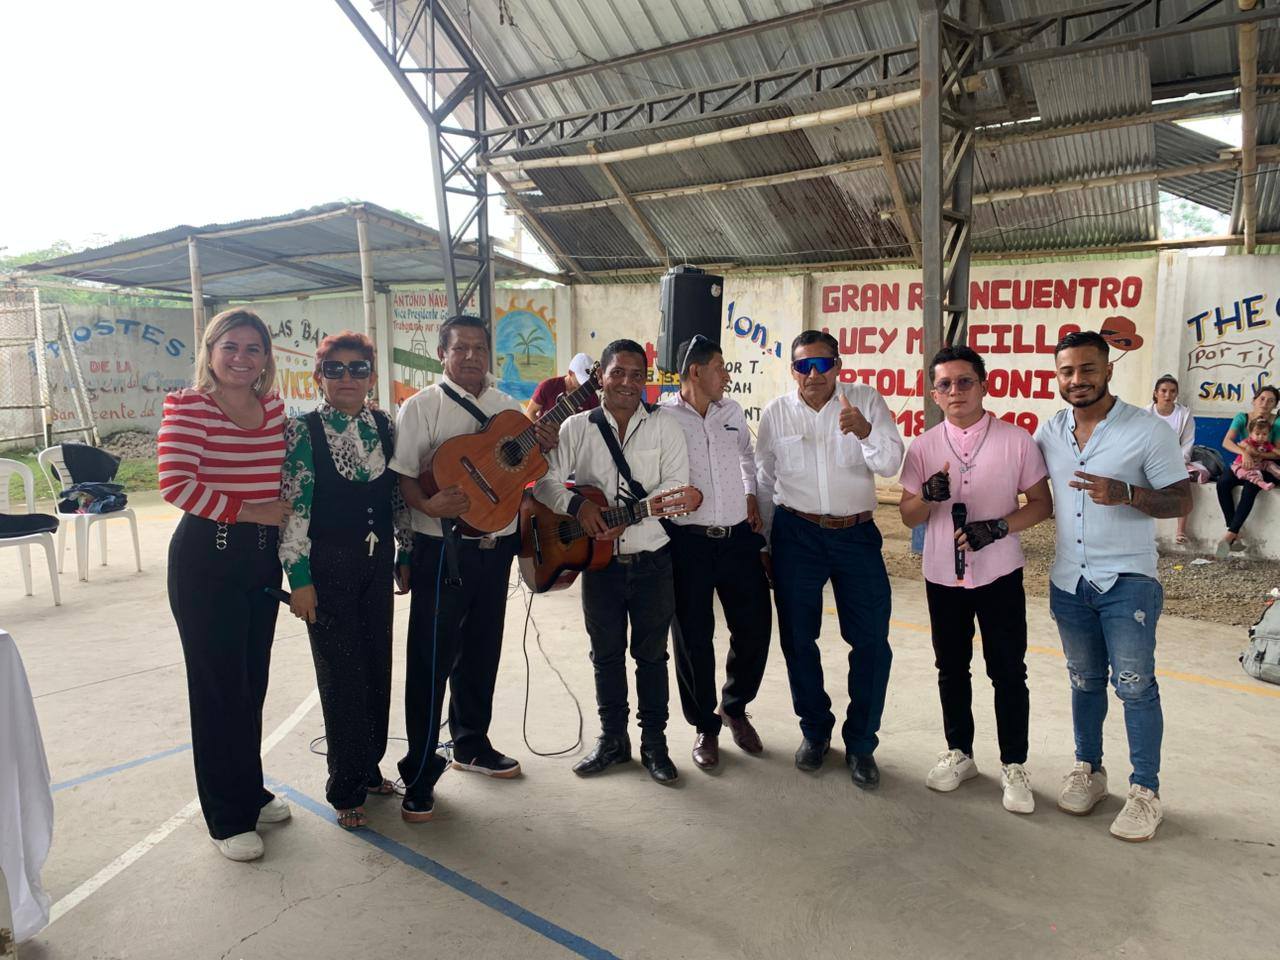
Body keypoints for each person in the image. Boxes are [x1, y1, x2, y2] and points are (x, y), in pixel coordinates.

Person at [390, 314, 559, 823]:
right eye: (459, 347)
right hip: (440, 548)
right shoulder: (421, 407)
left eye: (479, 348)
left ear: (490, 354)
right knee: (431, 660)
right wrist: (427, 505)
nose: (470, 356)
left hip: (495, 547)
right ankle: (419, 771)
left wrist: (544, 447)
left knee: (483, 652)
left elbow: (526, 473)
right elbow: (403, 478)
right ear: (442, 353)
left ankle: (471, 744)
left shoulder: (508, 409)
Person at [1035, 330, 1191, 842]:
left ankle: (1145, 791)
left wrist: (1127, 492)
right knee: (1083, 681)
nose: (1077, 379)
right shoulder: (1050, 432)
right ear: (1058, 376)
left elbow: (1181, 501)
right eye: (1067, 371)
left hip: (1128, 581)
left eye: (1087, 369)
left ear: (1108, 370)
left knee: (1135, 686)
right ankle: (1089, 769)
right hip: (1069, 579)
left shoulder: (1147, 431)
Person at [158, 308, 293, 862]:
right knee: (217, 690)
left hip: (261, 562)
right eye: (230, 347)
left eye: (253, 348)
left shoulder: (275, 409)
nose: (241, 358)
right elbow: (175, 483)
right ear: (210, 352)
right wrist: (250, 510)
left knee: (250, 684)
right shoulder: (190, 406)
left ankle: (249, 790)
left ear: (266, 358)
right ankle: (225, 817)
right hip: (206, 562)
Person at [533, 339, 698, 784]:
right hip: (597, 563)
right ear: (600, 378)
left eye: (636, 375)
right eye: (617, 373)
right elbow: (544, 482)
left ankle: (655, 744)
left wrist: (628, 517)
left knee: (652, 656)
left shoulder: (665, 426)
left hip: (652, 559)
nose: (627, 382)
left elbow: (676, 487)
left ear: (645, 381)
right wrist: (578, 507)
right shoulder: (576, 427)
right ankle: (612, 740)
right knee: (605, 655)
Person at [899, 345, 1052, 814]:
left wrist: (1000, 527)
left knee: (1008, 670)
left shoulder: (1016, 441)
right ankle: (960, 752)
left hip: (999, 572)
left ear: (984, 385)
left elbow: (1042, 505)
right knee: (951, 666)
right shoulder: (923, 447)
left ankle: (1014, 764)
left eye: (965, 381)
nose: (955, 391)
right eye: (944, 384)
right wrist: (927, 497)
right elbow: (908, 516)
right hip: (943, 575)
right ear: (934, 394)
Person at [756, 330, 904, 790]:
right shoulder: (776, 413)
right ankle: (815, 730)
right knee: (799, 638)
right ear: (793, 370)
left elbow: (891, 464)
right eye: (804, 365)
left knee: (872, 641)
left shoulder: (865, 401)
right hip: (795, 534)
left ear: (838, 366)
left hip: (856, 535)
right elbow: (764, 481)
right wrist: (764, 543)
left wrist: (866, 431)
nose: (814, 374)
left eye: (823, 364)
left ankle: (861, 742)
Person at [279, 331, 413, 830]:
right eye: (334, 369)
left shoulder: (384, 425)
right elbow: (294, 509)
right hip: (327, 568)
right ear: (319, 377)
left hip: (377, 565)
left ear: (371, 376)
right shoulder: (303, 430)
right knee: (341, 676)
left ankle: (369, 766)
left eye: (358, 368)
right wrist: (299, 578)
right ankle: (345, 785)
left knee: (377, 665)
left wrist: (406, 550)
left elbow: (397, 496)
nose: (347, 378)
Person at [659, 336, 771, 771]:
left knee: (755, 626)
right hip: (687, 542)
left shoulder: (732, 412)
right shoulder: (664, 418)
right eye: (721, 367)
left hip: (738, 538)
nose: (727, 375)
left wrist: (749, 495)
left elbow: (747, 458)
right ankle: (705, 725)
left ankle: (735, 707)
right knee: (693, 637)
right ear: (696, 371)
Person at [1215, 385, 1280, 558]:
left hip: (1268, 464)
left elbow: (1277, 452)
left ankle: (1230, 535)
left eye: (1271, 401)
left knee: (1251, 487)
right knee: (1223, 483)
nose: (1265, 403)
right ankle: (1233, 530)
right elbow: (1227, 442)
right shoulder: (1242, 418)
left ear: (1275, 405)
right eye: (1262, 399)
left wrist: (1258, 455)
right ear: (1254, 400)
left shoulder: (1277, 421)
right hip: (1244, 461)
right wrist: (1244, 453)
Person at [1145, 375, 1196, 543]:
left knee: (1183, 483)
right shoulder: (1145, 414)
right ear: (1156, 393)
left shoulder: (1184, 415)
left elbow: (1187, 442)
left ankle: (1181, 531)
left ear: (1177, 394)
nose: (1168, 395)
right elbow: (1140, 441)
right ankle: (1145, 532)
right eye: (1163, 391)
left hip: (1176, 460)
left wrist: (1177, 462)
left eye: (1172, 391)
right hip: (1149, 460)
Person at [526, 352, 598, 420]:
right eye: (580, 379)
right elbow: (530, 412)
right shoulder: (547, 386)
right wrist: (540, 428)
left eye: (586, 380)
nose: (583, 384)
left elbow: (596, 422)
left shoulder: (591, 394)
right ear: (570, 373)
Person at [1230, 416, 1280, 489]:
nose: (1261, 437)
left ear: (1268, 434)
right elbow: (1241, 446)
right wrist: (1247, 448)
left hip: (1258, 464)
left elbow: (1276, 451)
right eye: (1257, 434)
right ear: (1250, 434)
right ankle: (1261, 483)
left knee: (1269, 464)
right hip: (1243, 466)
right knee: (1250, 474)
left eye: (1264, 434)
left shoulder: (1267, 444)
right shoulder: (1247, 442)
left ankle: (1278, 473)